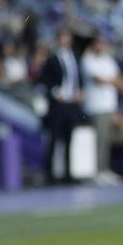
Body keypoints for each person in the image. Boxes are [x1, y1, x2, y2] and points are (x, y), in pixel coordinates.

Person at [37, 29, 86, 185]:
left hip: (72, 103)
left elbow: (78, 78)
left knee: (69, 139)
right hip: (58, 104)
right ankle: (50, 175)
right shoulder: (52, 59)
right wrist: (55, 92)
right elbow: (45, 80)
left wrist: (80, 91)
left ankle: (68, 174)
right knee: (54, 139)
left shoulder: (75, 57)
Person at [79, 34, 123, 185]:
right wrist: (113, 81)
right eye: (99, 43)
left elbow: (120, 80)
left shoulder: (108, 60)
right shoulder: (88, 60)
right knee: (98, 140)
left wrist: (111, 81)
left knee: (106, 140)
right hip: (96, 106)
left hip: (109, 106)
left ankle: (104, 170)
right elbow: (98, 80)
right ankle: (96, 171)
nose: (101, 46)